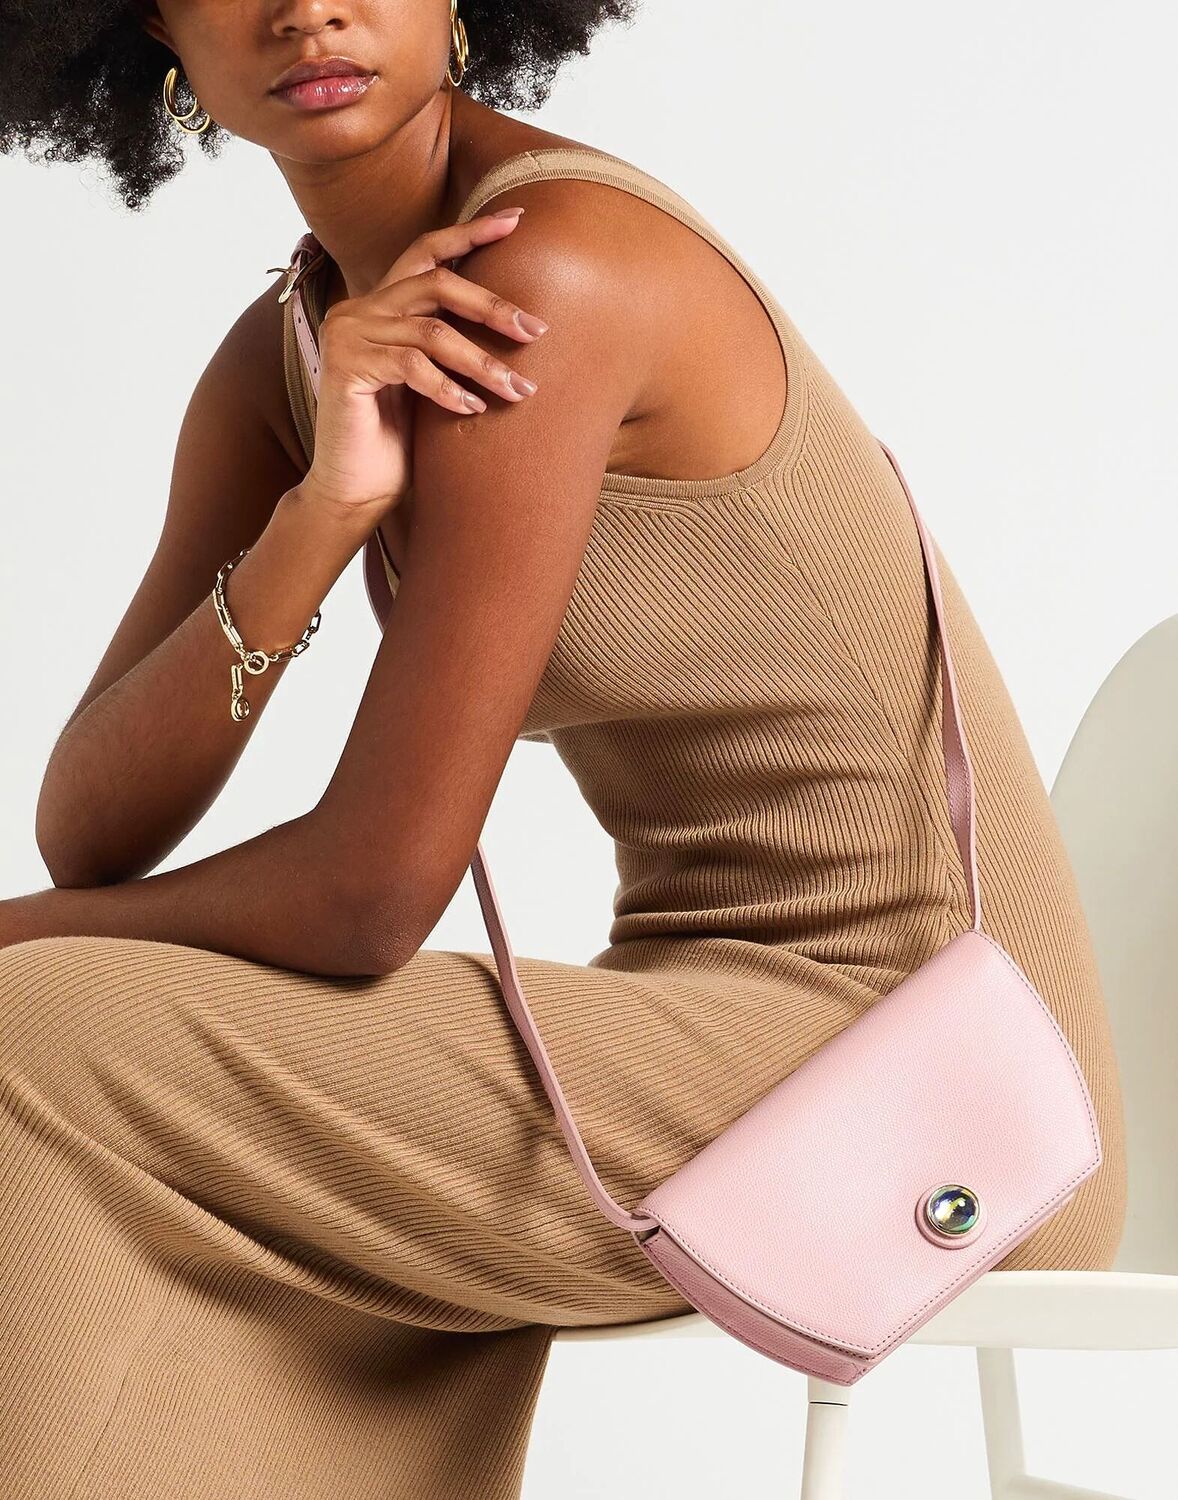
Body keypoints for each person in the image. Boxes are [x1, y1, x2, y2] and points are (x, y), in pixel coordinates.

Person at [0, 1, 1127, 1496]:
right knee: (75, 1027)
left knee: (38, 1033)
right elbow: (92, 829)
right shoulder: (298, 353)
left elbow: (369, 895)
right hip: (692, 1021)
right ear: (148, 26)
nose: (306, 8)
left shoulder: (550, 275)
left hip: (928, 1083)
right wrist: (316, 521)